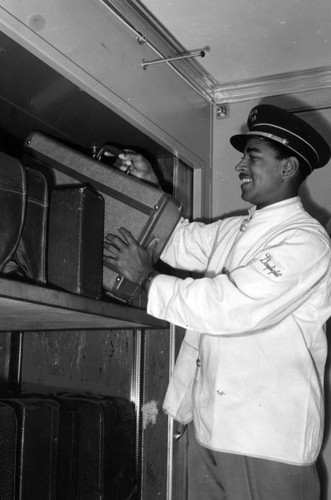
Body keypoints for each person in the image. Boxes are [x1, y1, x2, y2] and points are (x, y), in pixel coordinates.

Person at [103, 104, 331, 499]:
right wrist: (149, 188)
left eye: (253, 156)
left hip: (268, 441)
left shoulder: (306, 240)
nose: (241, 165)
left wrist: (148, 280)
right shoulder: (235, 229)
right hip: (210, 428)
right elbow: (177, 240)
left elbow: (231, 306)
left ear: (288, 168)